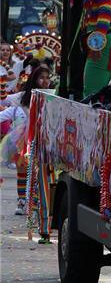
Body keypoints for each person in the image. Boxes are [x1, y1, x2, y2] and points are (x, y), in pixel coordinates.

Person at [0, 63, 53, 216]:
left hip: (43, 140)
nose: (44, 81)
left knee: (38, 172)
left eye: (47, 78)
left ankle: (35, 201)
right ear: (34, 80)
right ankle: (22, 200)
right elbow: (4, 102)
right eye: (41, 78)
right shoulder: (21, 102)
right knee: (23, 171)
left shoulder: (52, 97)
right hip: (22, 142)